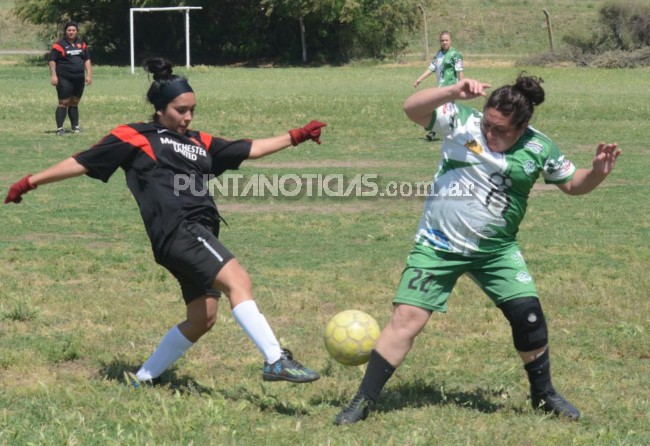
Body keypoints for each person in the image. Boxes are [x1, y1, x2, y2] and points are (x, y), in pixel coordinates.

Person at [5, 57, 326, 387]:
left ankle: (144, 379)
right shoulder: (135, 135)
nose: (187, 117)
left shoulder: (199, 142)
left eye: (192, 110)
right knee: (238, 280)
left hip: (196, 231)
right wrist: (31, 181)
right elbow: (82, 161)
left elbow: (250, 149)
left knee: (203, 318)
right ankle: (275, 360)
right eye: (180, 109)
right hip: (180, 230)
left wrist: (297, 135)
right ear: (160, 108)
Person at [334, 74, 621, 424]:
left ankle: (544, 396)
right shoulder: (462, 122)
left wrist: (598, 172)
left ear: (523, 126)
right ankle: (362, 401)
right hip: (438, 245)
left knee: (528, 317)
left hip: (496, 251)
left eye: (500, 130)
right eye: (487, 124)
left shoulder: (539, 147)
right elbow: (411, 108)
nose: (489, 134)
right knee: (406, 319)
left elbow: (574, 184)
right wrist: (452, 91)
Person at [412, 31, 464, 141]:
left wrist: (461, 85)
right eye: (442, 40)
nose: (444, 42)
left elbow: (459, 71)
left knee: (441, 109)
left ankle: (435, 132)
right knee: (445, 110)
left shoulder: (455, 54)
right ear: (439, 42)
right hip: (440, 88)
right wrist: (419, 79)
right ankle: (452, 131)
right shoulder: (438, 54)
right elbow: (431, 68)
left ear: (451, 41)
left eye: (446, 40)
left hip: (451, 87)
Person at [48, 21, 92, 135]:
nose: (71, 32)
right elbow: (52, 61)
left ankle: (75, 127)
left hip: (79, 78)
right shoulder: (59, 45)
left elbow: (87, 59)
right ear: (65, 31)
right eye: (69, 30)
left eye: (73, 30)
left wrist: (89, 75)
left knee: (74, 102)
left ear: (77, 31)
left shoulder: (81, 44)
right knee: (63, 102)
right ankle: (59, 129)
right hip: (64, 78)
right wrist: (53, 75)